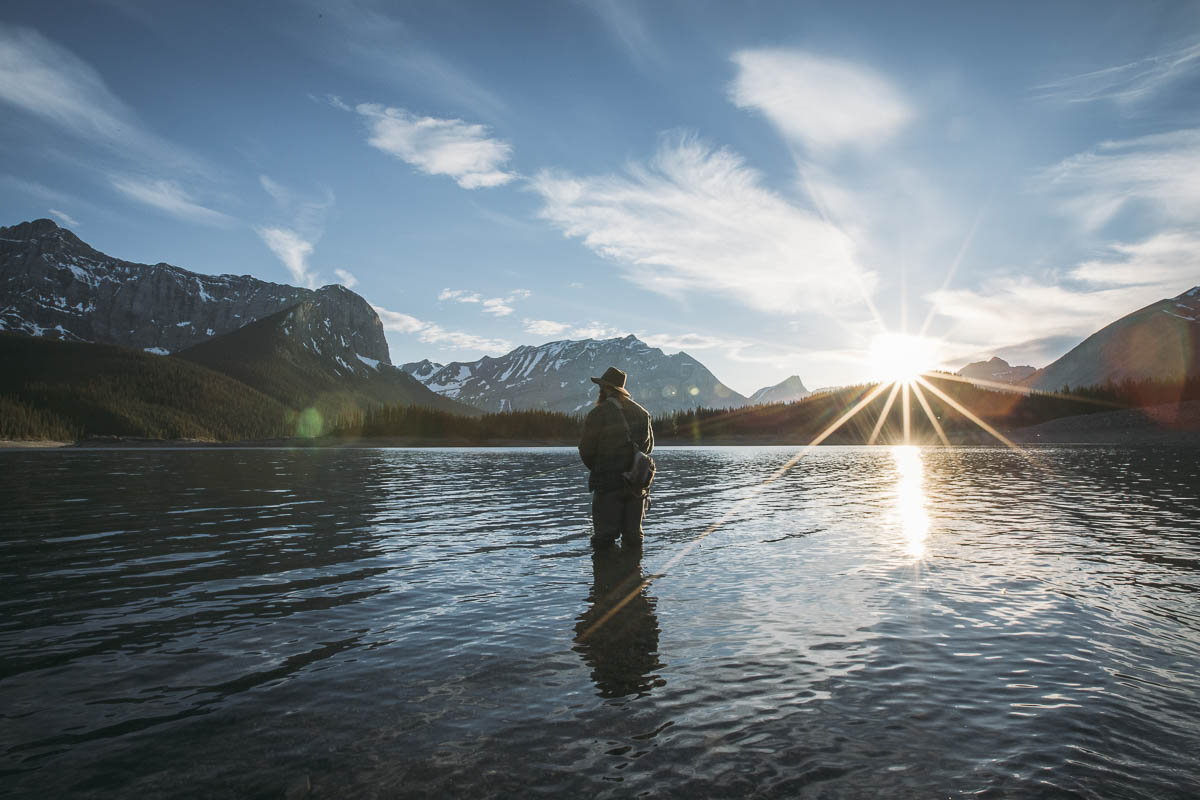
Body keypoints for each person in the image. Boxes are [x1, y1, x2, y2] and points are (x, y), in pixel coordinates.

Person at [578, 366, 654, 549]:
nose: (599, 390)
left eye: (601, 386)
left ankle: (606, 573)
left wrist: (599, 467)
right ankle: (634, 573)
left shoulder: (598, 413)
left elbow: (586, 450)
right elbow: (648, 448)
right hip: (636, 485)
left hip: (607, 485)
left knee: (604, 538)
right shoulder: (642, 413)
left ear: (607, 388)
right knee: (634, 537)